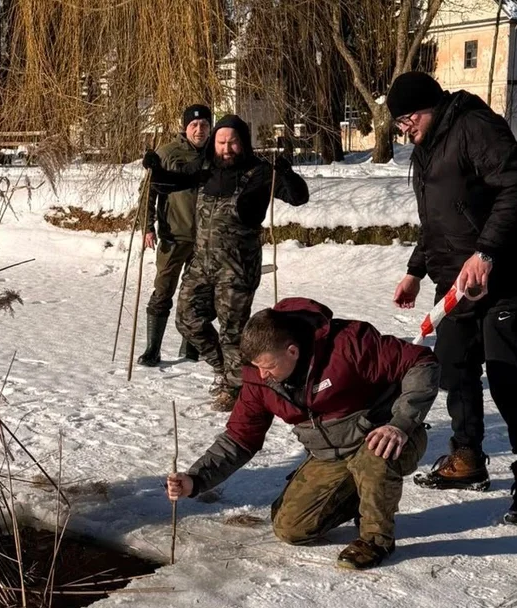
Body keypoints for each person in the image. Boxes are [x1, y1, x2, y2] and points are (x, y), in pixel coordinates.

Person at [386, 71, 517, 527]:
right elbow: (438, 219)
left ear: (429, 105)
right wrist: (415, 271)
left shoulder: (475, 126)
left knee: (507, 375)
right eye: (398, 123)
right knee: (454, 365)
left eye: (407, 118)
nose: (404, 129)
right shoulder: (428, 146)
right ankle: (468, 456)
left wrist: (486, 253)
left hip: (502, 273)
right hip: (456, 279)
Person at [165, 299, 439, 570]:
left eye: (268, 367)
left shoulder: (348, 343)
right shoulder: (259, 378)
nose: (262, 375)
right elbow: (240, 437)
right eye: (257, 367)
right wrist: (196, 479)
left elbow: (421, 362)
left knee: (375, 458)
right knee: (291, 528)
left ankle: (376, 540)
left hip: (387, 436)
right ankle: (359, 494)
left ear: (292, 351)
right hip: (330, 454)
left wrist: (401, 423)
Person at [144, 115, 309, 411]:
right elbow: (172, 183)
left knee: (232, 333)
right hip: (202, 263)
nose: (226, 148)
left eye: (232, 142)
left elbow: (298, 198)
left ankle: (235, 390)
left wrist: (287, 174)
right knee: (187, 319)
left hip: (237, 268)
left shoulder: (259, 172)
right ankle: (230, 371)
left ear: (243, 143)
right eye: (221, 142)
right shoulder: (206, 167)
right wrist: (154, 169)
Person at [138, 104, 213, 368]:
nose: (200, 129)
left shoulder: (216, 154)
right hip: (174, 236)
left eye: (204, 124)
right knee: (163, 289)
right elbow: (148, 193)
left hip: (206, 239)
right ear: (185, 127)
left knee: (198, 294)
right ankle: (152, 349)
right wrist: (147, 226)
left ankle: (191, 347)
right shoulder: (167, 153)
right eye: (194, 125)